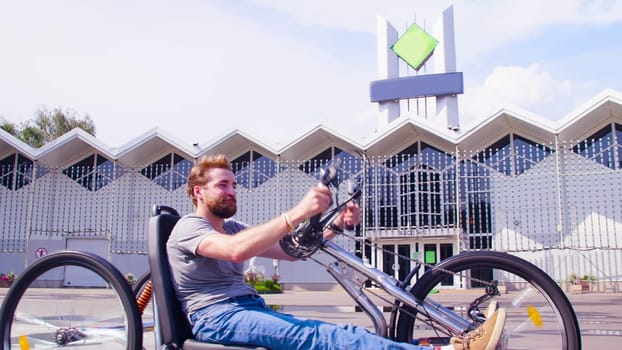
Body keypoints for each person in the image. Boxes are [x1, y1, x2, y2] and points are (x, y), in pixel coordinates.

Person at [167, 154, 507, 350]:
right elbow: (235, 252)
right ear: (199, 192)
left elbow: (291, 252)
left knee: (345, 334)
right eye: (222, 185)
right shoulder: (188, 228)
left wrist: (337, 226)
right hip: (216, 318)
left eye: (234, 185)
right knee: (321, 336)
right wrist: (296, 213)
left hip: (247, 308)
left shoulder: (233, 227)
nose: (231, 191)